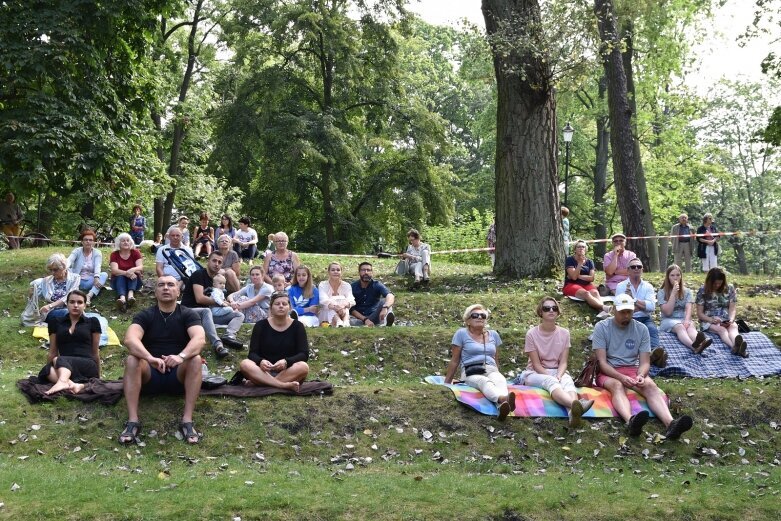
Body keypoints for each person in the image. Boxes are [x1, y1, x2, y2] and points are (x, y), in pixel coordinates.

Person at [592, 293, 694, 440]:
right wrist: (621, 377)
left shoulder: (641, 329)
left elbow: (645, 362)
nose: (626, 316)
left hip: (632, 370)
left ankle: (671, 424)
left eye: (629, 312)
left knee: (650, 385)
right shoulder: (602, 327)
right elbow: (602, 363)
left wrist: (640, 375)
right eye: (622, 312)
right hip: (608, 371)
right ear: (614, 310)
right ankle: (630, 421)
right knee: (617, 385)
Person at [119, 275, 206, 445]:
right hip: (151, 374)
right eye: (161, 285)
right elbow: (130, 339)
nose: (166, 288)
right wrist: (150, 358)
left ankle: (187, 421)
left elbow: (200, 339)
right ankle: (132, 421)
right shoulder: (146, 315)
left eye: (170, 285)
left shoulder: (188, 314)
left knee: (195, 359)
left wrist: (180, 357)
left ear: (178, 292)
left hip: (178, 375)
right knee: (132, 360)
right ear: (155, 292)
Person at [515, 297, 594, 427]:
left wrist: (559, 375)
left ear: (558, 312)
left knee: (567, 381)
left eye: (554, 308)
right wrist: (552, 376)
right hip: (535, 373)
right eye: (547, 308)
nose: (551, 310)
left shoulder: (564, 333)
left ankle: (572, 414)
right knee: (551, 381)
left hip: (557, 370)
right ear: (541, 312)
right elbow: (536, 364)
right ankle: (578, 405)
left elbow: (563, 362)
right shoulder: (531, 334)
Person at [444, 304, 515, 421]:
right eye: (475, 315)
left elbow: (496, 359)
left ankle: (502, 407)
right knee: (484, 381)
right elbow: (455, 360)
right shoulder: (461, 334)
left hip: (491, 368)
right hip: (471, 370)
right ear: (468, 320)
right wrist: (447, 383)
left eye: (482, 315)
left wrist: (497, 372)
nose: (479, 317)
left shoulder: (494, 335)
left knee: (499, 379)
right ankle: (502, 399)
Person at [239, 291, 310, 391]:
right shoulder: (260, 326)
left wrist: (286, 362)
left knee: (303, 366)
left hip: (287, 371)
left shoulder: (298, 326)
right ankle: (283, 385)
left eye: (284, 304)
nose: (281, 306)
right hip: (263, 371)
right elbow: (252, 354)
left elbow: (304, 354)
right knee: (245, 364)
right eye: (277, 304)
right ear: (271, 308)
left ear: (289, 308)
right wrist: (260, 361)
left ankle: (261, 383)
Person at [180, 251, 245, 358]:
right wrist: (223, 304)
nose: (217, 264)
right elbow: (200, 298)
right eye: (214, 260)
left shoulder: (217, 280)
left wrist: (229, 304)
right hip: (189, 311)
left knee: (239, 315)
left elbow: (222, 297)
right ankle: (218, 345)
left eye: (220, 262)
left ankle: (229, 336)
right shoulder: (199, 274)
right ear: (208, 261)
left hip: (207, 317)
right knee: (206, 311)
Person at [39, 290, 100, 395]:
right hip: (64, 366)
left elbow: (95, 352)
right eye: (72, 302)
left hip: (86, 364)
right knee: (46, 370)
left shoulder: (92, 322)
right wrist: (50, 366)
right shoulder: (55, 322)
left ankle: (62, 382)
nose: (75, 305)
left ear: (85, 305)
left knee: (59, 359)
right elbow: (53, 351)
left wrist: (98, 376)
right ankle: (74, 385)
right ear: (67, 304)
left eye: (79, 302)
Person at [615, 259, 665, 367]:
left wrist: (633, 300)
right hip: (627, 318)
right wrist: (641, 306)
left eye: (639, 266)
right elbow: (620, 308)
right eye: (633, 267)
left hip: (645, 318)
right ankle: (654, 359)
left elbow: (651, 307)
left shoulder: (648, 287)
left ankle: (654, 353)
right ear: (628, 270)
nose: (636, 269)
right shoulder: (621, 286)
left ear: (642, 269)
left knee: (652, 329)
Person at [658, 264, 711, 354]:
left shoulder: (687, 292)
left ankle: (700, 342)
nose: (675, 278)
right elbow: (667, 312)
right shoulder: (661, 292)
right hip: (668, 320)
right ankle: (694, 347)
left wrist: (687, 320)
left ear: (681, 276)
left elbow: (688, 308)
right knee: (680, 327)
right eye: (672, 275)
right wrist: (673, 293)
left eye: (678, 275)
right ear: (668, 277)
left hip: (683, 318)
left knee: (690, 327)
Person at [696, 267, 747, 357]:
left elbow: (732, 308)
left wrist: (730, 320)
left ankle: (738, 342)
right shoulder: (702, 291)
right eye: (715, 283)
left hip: (725, 318)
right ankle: (735, 348)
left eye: (720, 283)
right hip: (709, 320)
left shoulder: (730, 288)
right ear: (709, 281)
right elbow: (700, 314)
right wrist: (711, 320)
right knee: (722, 330)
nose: (717, 285)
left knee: (733, 326)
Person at [26, 253, 81, 323]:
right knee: (67, 313)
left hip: (72, 309)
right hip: (52, 312)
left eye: (55, 270)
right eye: (50, 270)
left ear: (64, 267)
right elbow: (36, 297)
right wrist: (31, 294)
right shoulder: (46, 281)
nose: (52, 272)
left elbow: (70, 297)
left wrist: (50, 306)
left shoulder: (75, 278)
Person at [564, 240, 612, 317]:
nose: (581, 248)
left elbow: (591, 278)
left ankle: (602, 313)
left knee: (596, 293)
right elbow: (573, 278)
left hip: (587, 284)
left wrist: (578, 276)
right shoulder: (570, 260)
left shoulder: (589, 262)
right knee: (586, 294)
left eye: (583, 247)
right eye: (578, 247)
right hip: (572, 284)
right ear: (575, 249)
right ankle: (603, 308)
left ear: (586, 249)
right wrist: (579, 264)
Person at [66, 228, 108, 307]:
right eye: (86, 240)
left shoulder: (97, 253)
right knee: (67, 271)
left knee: (104, 275)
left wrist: (96, 277)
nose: (88, 242)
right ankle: (75, 294)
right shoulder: (77, 251)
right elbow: (69, 260)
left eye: (90, 240)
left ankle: (89, 296)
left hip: (90, 280)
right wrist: (63, 267)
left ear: (94, 242)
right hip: (76, 280)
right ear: (82, 242)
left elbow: (98, 266)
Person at [349, 262, 395, 327]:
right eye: (363, 270)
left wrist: (385, 307)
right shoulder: (352, 287)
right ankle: (377, 324)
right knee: (347, 318)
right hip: (359, 318)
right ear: (359, 272)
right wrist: (365, 320)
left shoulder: (377, 284)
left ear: (372, 273)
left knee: (385, 301)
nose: (366, 272)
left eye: (368, 270)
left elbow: (390, 295)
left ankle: (386, 321)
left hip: (374, 316)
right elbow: (351, 309)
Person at [110, 232, 144, 312]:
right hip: (117, 282)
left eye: (128, 240)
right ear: (119, 243)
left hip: (135, 282)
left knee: (134, 273)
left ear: (131, 242)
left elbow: (140, 267)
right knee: (120, 275)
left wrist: (132, 270)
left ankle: (130, 296)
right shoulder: (114, 254)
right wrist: (126, 273)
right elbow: (114, 271)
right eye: (123, 241)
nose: (126, 242)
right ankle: (122, 299)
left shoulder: (136, 252)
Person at [318, 262, 355, 327]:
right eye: (333, 270)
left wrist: (342, 306)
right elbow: (323, 300)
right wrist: (336, 307)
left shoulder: (346, 285)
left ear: (341, 272)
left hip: (343, 312)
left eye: (338, 270)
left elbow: (351, 300)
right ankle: (339, 321)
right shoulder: (322, 285)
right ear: (329, 272)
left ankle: (345, 322)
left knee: (344, 302)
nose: (336, 272)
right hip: (326, 313)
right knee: (331, 302)